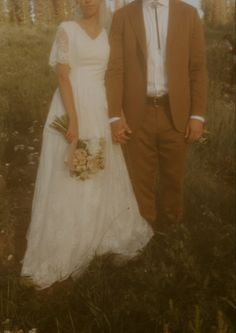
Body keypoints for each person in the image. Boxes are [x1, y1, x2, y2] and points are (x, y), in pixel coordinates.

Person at [20, 0, 153, 290]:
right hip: (72, 107)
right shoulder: (67, 29)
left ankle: (99, 233)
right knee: (73, 171)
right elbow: (63, 76)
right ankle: (70, 243)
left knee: (97, 170)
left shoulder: (108, 33)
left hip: (100, 107)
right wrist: (74, 122)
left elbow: (110, 78)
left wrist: (119, 116)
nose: (88, 1)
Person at [106, 0, 208, 228]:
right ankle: (144, 233)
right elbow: (115, 68)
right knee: (141, 181)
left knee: (174, 178)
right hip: (136, 114)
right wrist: (114, 116)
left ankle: (172, 231)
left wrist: (197, 115)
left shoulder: (188, 14)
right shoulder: (123, 16)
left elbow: (198, 68)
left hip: (175, 113)